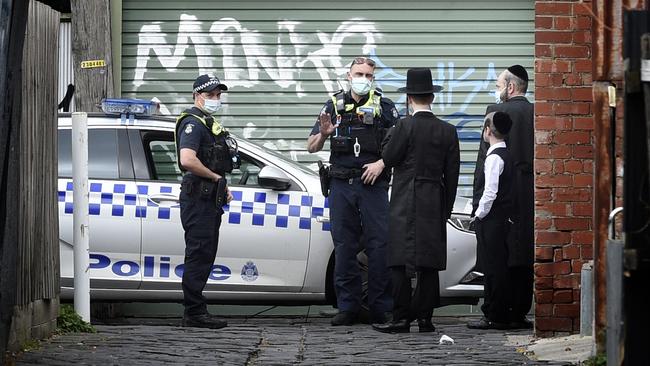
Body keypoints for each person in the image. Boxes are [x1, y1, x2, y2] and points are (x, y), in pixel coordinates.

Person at [307, 57, 399, 326]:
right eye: (359, 74)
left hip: (373, 186)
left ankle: (381, 307)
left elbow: (400, 145)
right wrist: (324, 134)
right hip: (341, 185)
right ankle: (347, 307)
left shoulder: (384, 106)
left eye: (369, 75)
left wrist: (382, 163)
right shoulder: (334, 105)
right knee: (344, 246)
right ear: (348, 76)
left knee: (379, 245)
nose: (364, 79)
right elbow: (311, 146)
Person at [373, 68, 460, 333]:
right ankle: (425, 319)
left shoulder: (404, 126)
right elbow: (452, 175)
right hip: (433, 199)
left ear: (409, 98)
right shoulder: (448, 131)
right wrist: (445, 207)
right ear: (431, 97)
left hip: (404, 199)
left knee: (399, 260)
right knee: (429, 262)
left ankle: (401, 319)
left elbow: (389, 157)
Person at [471, 65, 534, 329]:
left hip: (499, 200)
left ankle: (494, 311)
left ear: (510, 87)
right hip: (527, 195)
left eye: (498, 85)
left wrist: (478, 203)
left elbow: (482, 161)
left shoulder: (495, 114)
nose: (496, 90)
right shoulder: (535, 112)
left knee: (495, 257)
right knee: (522, 254)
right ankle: (519, 310)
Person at [175, 73, 236, 329]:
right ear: (196, 96)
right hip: (198, 197)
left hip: (208, 196)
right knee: (199, 254)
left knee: (205, 254)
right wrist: (214, 177)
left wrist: (220, 183)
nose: (215, 99)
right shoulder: (193, 123)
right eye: (210, 95)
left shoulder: (207, 122)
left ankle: (197, 310)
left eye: (218, 95)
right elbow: (187, 159)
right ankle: (194, 313)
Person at [467, 112, 514, 330]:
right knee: (498, 266)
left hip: (492, 220)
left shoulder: (494, 157)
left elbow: (489, 193)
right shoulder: (507, 153)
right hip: (502, 219)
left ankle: (493, 314)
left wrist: (478, 215)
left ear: (488, 130)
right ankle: (500, 312)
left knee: (492, 268)